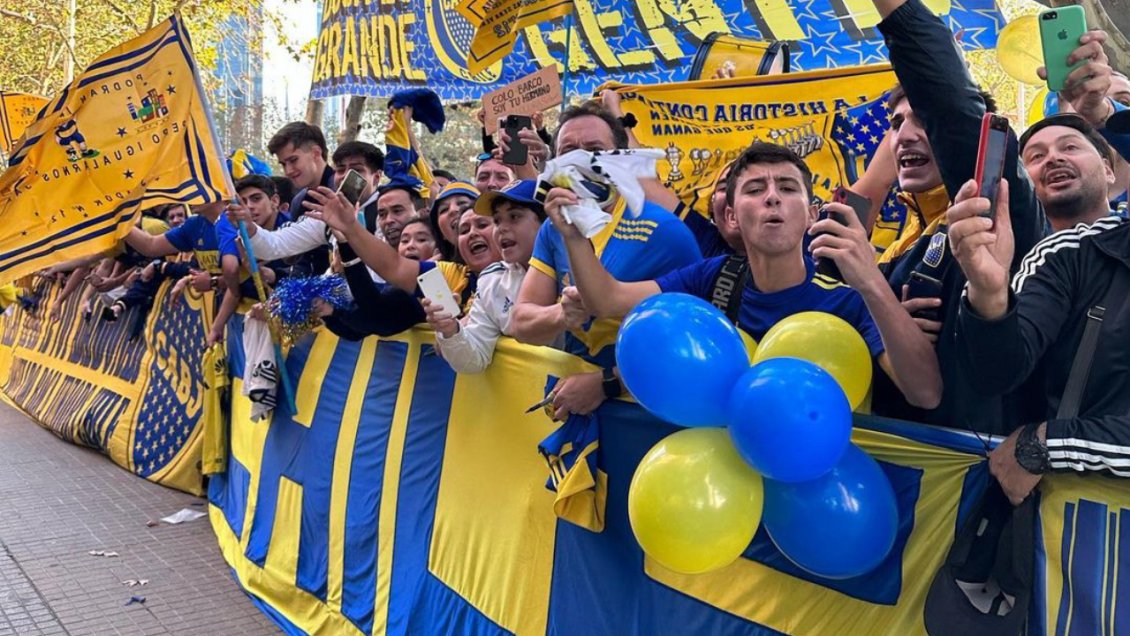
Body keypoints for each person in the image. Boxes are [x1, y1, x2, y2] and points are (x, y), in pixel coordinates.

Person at [550, 142, 943, 410]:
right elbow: (606, 300)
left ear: (810, 214)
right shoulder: (713, 278)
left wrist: (873, 282)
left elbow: (926, 392)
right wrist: (573, 235)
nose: (772, 197)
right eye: (755, 189)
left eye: (787, 188)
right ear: (733, 216)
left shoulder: (849, 297)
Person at [864, 0, 1052, 430]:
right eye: (894, 124)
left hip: (972, 473)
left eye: (922, 122)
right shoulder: (898, 244)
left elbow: (952, 107)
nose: (905, 135)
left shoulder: (997, 214)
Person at [510, 102, 703, 420]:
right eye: (569, 149)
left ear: (621, 158)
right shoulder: (553, 228)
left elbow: (692, 337)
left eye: (595, 149)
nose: (581, 158)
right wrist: (562, 314)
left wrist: (606, 384)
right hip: (578, 410)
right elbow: (521, 323)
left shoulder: (665, 231)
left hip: (651, 414)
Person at [949, 172, 1129, 503]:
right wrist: (989, 294)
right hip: (1064, 534)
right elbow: (996, 374)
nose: (1053, 159)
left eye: (1071, 145)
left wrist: (1052, 444)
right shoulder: (1075, 252)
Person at [424, 180, 544, 373]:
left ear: (546, 222)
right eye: (497, 220)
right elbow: (473, 360)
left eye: (514, 216)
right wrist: (450, 330)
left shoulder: (580, 267)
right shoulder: (492, 282)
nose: (502, 228)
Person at [209, 175, 291, 346]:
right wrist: (216, 328)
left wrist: (272, 278)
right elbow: (236, 285)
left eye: (256, 198)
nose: (249, 207)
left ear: (274, 201)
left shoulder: (293, 230)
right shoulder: (242, 238)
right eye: (243, 202)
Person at [267, 122, 334, 277]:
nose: (288, 171)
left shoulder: (341, 190)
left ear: (316, 153)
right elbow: (302, 261)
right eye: (283, 164)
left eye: (293, 160)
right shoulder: (298, 201)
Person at [331, 141, 385, 234]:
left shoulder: (385, 212)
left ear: (376, 177)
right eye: (340, 170)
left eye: (356, 170)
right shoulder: (330, 210)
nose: (345, 176)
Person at [429, 182, 480, 262]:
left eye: (462, 203)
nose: (453, 210)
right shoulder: (437, 272)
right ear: (441, 234)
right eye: (444, 209)